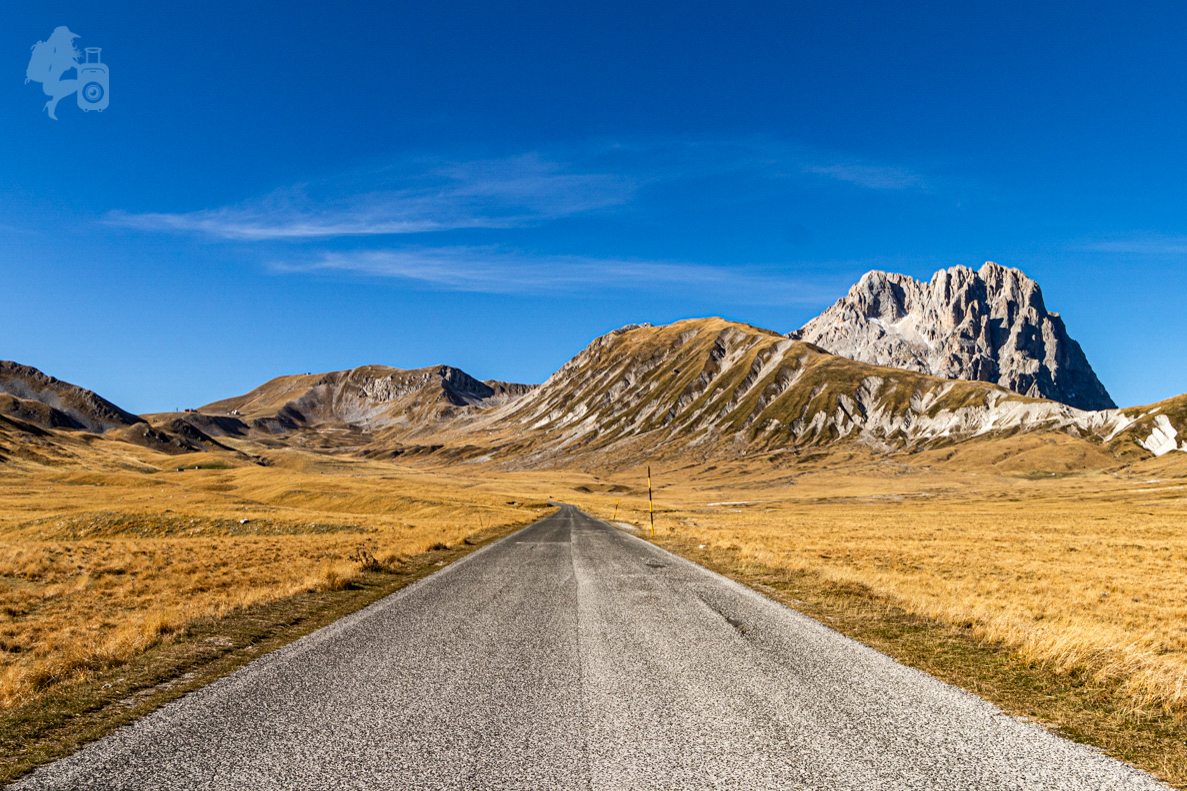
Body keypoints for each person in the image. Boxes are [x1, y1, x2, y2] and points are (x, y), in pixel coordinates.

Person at [26, 27, 81, 120]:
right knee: (79, 83)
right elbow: (78, 67)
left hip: (49, 86)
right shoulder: (62, 55)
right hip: (50, 87)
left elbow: (76, 66)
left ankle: (51, 104)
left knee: (77, 84)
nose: (70, 41)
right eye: (68, 38)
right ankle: (52, 104)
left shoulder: (58, 53)